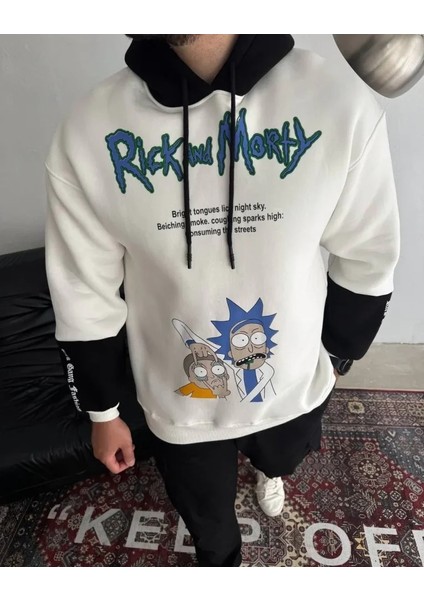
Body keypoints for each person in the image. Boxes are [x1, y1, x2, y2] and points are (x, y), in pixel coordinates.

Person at [44, 34, 401, 567]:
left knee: (284, 457)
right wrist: (102, 410)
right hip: (177, 401)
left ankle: (269, 472)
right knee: (204, 516)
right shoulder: (88, 130)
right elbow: (83, 291)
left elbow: (368, 251)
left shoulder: (336, 100)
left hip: (292, 383)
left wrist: (340, 351)